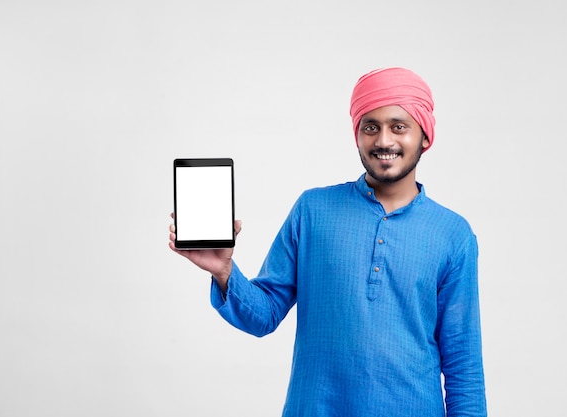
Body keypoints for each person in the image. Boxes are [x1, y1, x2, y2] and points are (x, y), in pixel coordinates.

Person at [168, 67, 487, 417]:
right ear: (357, 135)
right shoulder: (313, 210)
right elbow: (264, 315)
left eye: (398, 126)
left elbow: (463, 366)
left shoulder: (453, 234)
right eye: (370, 127)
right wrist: (225, 272)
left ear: (424, 136)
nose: (383, 140)